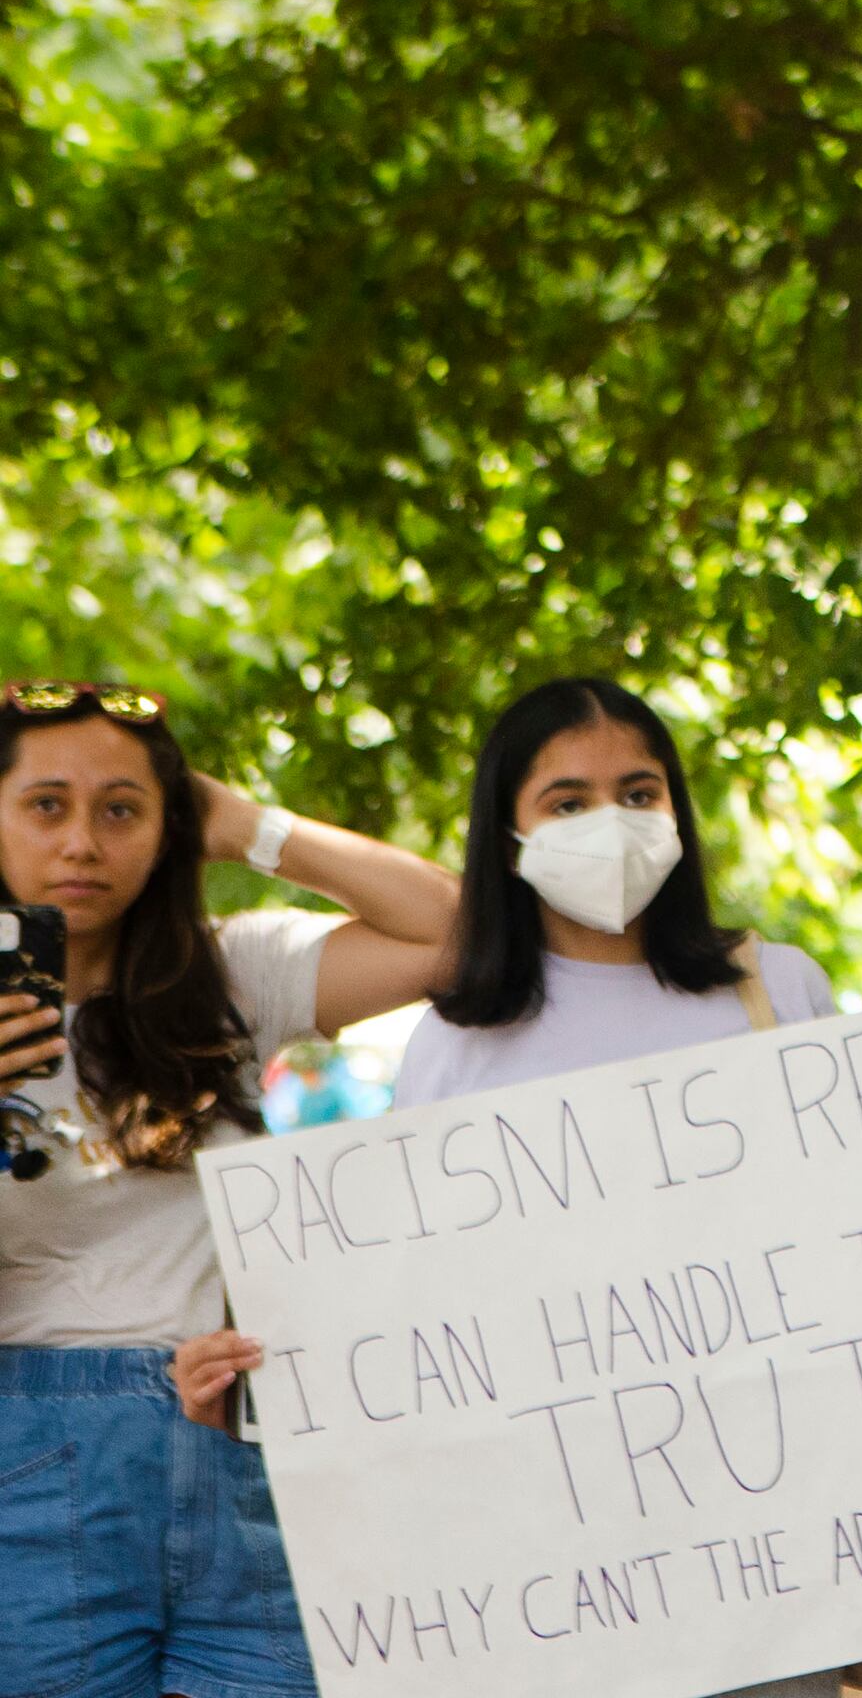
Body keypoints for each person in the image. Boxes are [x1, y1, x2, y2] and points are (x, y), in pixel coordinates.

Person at [199, 674, 862, 1698]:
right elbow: (411, 1305)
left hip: (773, 1558)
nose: (610, 822)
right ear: (509, 833)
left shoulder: (777, 985)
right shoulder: (461, 1036)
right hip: (556, 1568)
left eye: (639, 791)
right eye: (567, 802)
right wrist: (276, 1366)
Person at [0, 681, 460, 1698]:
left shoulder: (229, 976)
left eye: (122, 809)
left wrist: (248, 826)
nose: (83, 840)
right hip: (30, 1463)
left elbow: (462, 934)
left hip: (244, 1435)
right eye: (46, 805)